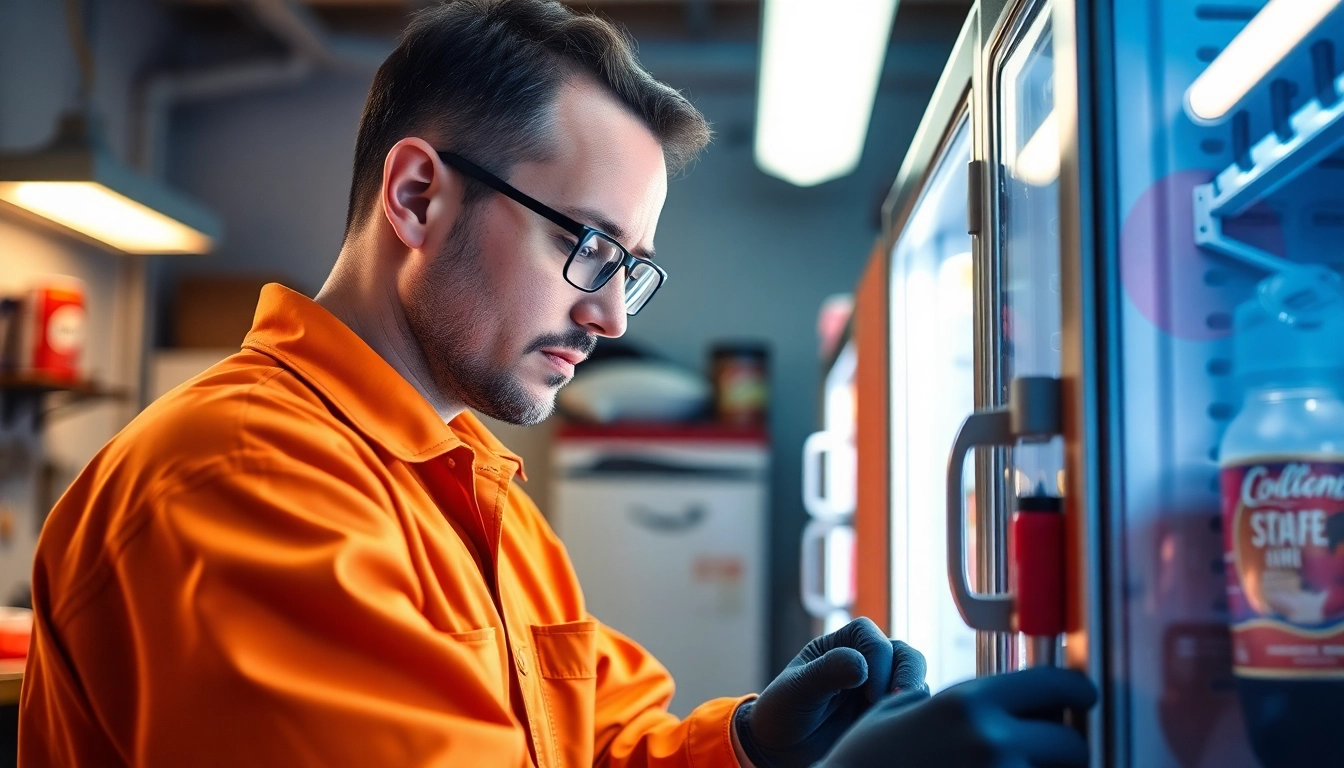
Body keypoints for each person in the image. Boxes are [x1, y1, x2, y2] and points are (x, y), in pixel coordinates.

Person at [18, 1, 1095, 766]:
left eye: (631, 269)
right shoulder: (238, 482)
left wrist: (753, 745)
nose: (613, 315)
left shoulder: (480, 495)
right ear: (417, 198)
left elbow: (593, 749)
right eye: (586, 246)